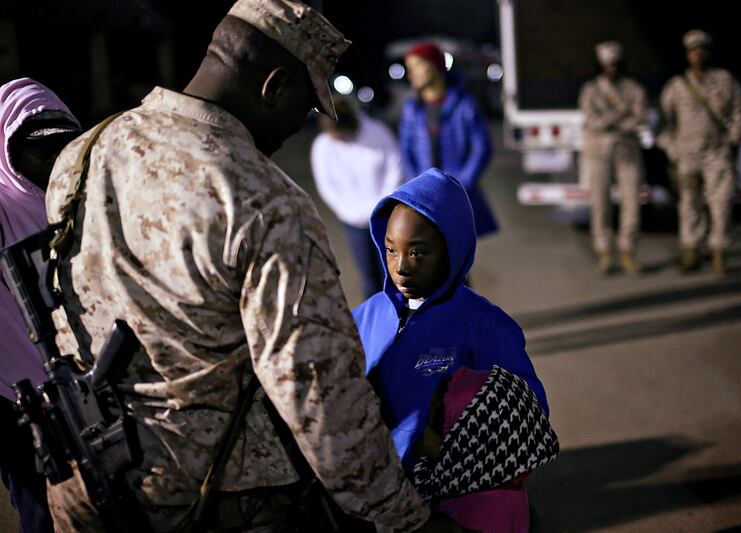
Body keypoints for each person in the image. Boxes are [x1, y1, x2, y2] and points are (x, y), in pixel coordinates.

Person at [43, 1, 463, 531]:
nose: (297, 127)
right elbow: (317, 393)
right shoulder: (263, 200)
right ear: (274, 85)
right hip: (212, 499)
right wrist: (405, 517)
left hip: (86, 484)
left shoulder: (83, 154)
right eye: (305, 107)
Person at [352, 167, 549, 473]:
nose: (401, 266)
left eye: (418, 252)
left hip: (444, 494)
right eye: (391, 249)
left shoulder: (485, 326)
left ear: (452, 250)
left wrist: (450, 453)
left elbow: (526, 413)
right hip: (373, 486)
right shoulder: (367, 315)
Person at [0, 77, 82, 533]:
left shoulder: (75, 204)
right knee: (42, 510)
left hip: (81, 389)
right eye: (38, 149)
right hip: (13, 399)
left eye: (64, 146)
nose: (53, 161)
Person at [411, 366, 558, 533]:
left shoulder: (470, 509)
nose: (423, 432)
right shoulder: (493, 481)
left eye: (430, 426)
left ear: (460, 446)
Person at [657, 29, 741, 275]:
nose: (697, 55)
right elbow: (664, 126)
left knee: (720, 204)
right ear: (687, 55)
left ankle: (719, 254)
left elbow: (738, 113)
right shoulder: (676, 87)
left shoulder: (725, 80)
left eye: (701, 50)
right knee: (688, 205)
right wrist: (673, 150)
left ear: (708, 52)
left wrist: (732, 140)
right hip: (687, 155)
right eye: (692, 51)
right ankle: (691, 252)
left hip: (716, 153)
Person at [399, 42, 497, 243]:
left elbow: (482, 147)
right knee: (431, 261)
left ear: (434, 65)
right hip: (425, 198)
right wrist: (418, 187)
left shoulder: (464, 103)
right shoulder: (412, 108)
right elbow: (406, 151)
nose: (411, 74)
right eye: (409, 68)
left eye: (416, 66)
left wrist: (462, 186)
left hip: (459, 195)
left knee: (458, 260)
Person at [311, 94, 404, 300]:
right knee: (368, 277)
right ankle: (376, 325)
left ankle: (402, 323)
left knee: (394, 274)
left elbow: (395, 169)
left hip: (385, 218)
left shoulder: (377, 133)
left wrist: (380, 206)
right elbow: (327, 188)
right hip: (353, 223)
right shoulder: (323, 146)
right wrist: (352, 213)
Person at [578, 41, 647, 275]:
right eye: (608, 64)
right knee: (600, 203)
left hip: (627, 150)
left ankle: (628, 250)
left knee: (632, 202)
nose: (612, 69)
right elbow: (591, 119)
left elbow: (639, 117)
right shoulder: (591, 90)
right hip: (599, 152)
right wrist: (620, 116)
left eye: (616, 64)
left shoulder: (633, 89)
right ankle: (605, 251)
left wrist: (611, 121)